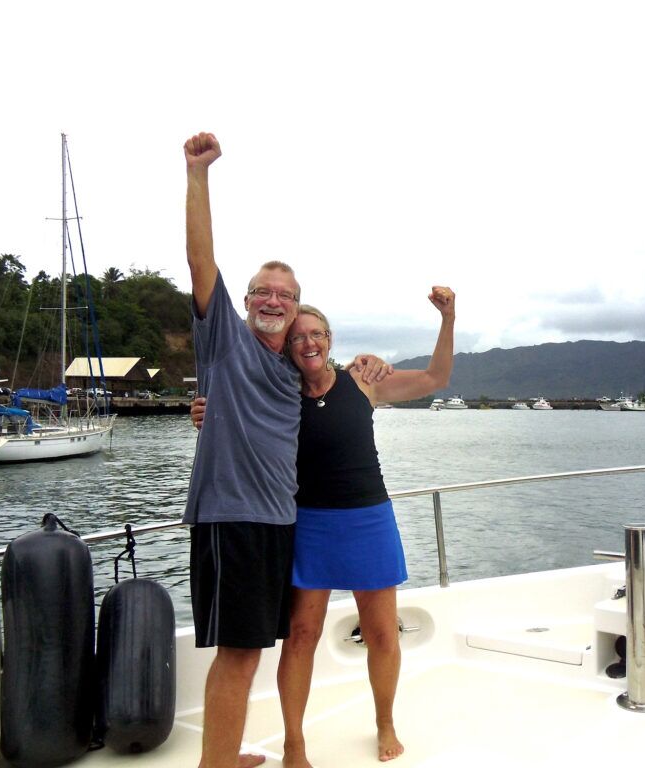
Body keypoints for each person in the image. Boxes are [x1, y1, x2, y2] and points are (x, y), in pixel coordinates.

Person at [182, 131, 390, 768]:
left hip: (280, 525)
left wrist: (372, 364)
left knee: (252, 649)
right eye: (262, 292)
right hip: (234, 519)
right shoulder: (227, 343)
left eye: (286, 295)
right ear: (244, 303)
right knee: (240, 655)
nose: (274, 300)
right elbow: (200, 264)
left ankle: (223, 754)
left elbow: (334, 404)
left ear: (299, 312)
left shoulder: (293, 374)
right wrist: (198, 175)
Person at [192, 285, 456, 766]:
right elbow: (230, 407)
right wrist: (205, 412)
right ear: (288, 347)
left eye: (316, 334)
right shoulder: (277, 390)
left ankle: (385, 724)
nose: (307, 343)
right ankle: (294, 745)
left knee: (382, 635)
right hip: (308, 523)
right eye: (298, 338)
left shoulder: (364, 383)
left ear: (330, 340)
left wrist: (448, 318)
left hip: (368, 519)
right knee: (302, 636)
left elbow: (438, 377)